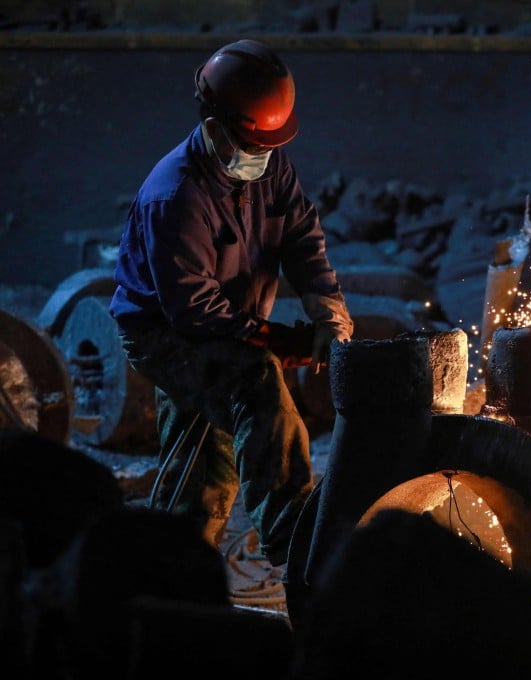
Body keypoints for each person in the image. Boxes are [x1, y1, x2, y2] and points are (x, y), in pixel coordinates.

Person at [109, 39, 353, 566]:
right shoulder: (175, 196)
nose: (260, 156)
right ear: (214, 124)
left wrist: (326, 309)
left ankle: (166, 565)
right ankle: (295, 540)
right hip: (164, 332)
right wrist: (274, 341)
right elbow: (193, 307)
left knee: (200, 455)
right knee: (255, 381)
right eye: (251, 144)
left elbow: (301, 234)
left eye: (268, 146)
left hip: (226, 321)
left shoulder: (268, 163)